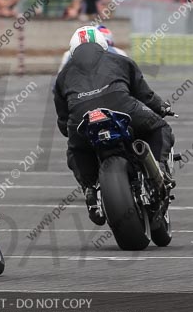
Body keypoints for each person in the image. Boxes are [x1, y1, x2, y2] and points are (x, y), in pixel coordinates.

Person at [54, 26, 175, 225]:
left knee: (75, 150)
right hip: (123, 108)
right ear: (103, 44)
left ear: (73, 49)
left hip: (83, 119)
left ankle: (90, 191)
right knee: (160, 127)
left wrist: (72, 134)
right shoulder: (121, 59)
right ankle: (159, 169)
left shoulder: (63, 75)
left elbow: (63, 120)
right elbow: (145, 95)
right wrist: (162, 107)